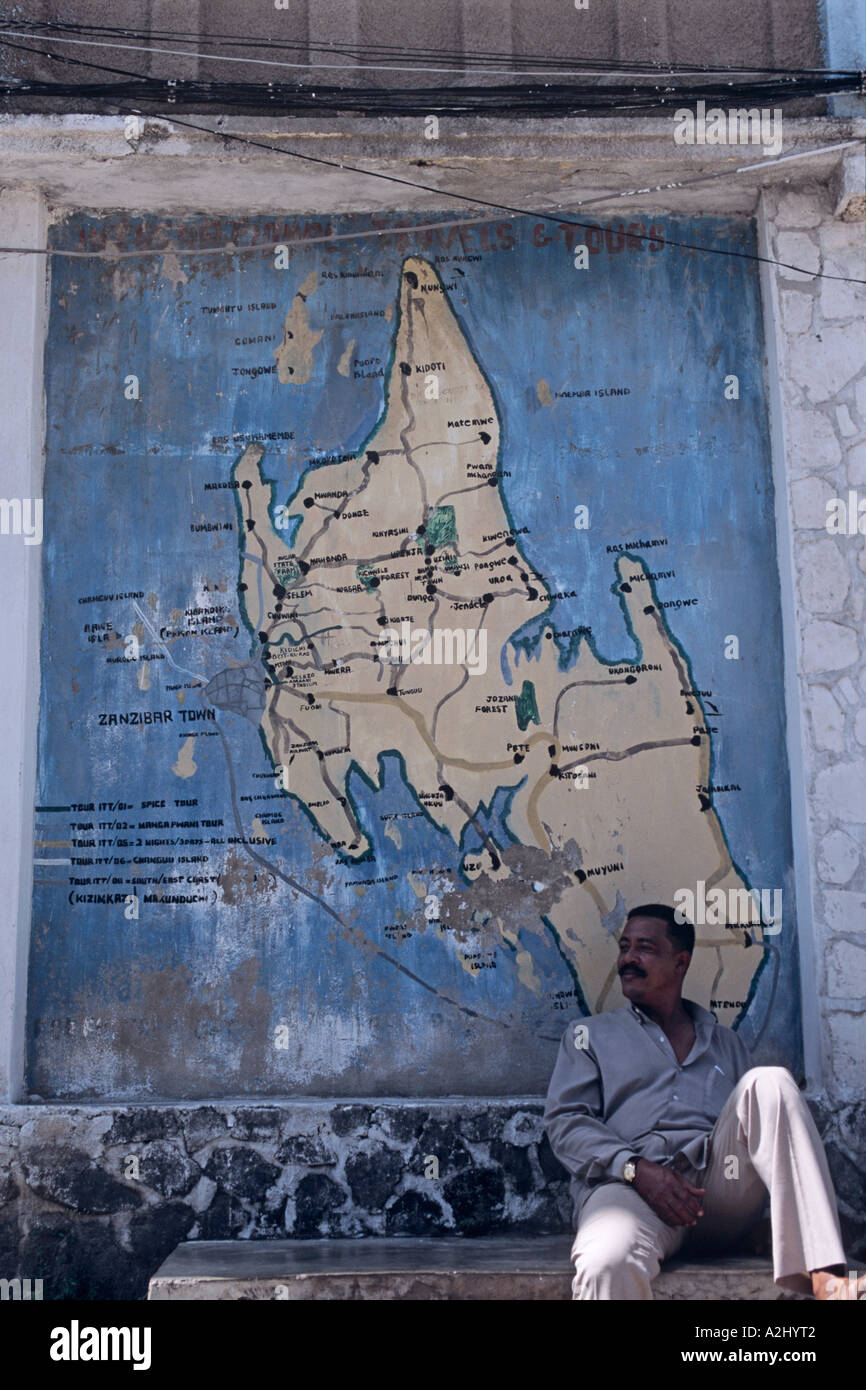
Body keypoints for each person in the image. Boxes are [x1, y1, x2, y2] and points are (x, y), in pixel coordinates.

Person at [543, 903, 863, 1300]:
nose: (628, 958)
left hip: (716, 1189)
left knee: (771, 1081)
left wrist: (769, 1221)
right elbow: (566, 1123)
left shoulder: (725, 1042)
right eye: (625, 946)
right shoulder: (587, 1036)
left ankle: (826, 1278)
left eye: (644, 947)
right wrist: (635, 1169)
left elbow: (760, 1137)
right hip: (628, 1190)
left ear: (680, 962)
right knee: (607, 1262)